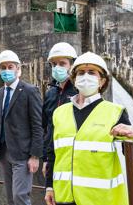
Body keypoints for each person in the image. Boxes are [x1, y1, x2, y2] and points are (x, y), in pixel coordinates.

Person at [44, 52, 133, 205]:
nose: (85, 76)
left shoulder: (114, 112)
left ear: (102, 81)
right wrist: (49, 187)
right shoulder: (60, 113)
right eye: (81, 73)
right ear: (74, 79)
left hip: (99, 199)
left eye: (92, 72)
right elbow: (53, 152)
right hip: (64, 197)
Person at [0, 50, 43, 205]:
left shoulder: (30, 91)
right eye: (3, 67)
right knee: (11, 198)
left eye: (10, 66)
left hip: (23, 154)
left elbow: (38, 125)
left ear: (18, 69)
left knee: (20, 196)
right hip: (4, 153)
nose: (6, 71)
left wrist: (35, 156)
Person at [41, 42, 79, 177]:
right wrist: (45, 158)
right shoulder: (50, 94)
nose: (57, 68)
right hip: (53, 158)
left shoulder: (79, 93)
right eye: (54, 64)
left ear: (72, 66)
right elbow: (46, 128)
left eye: (62, 64)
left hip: (75, 159)